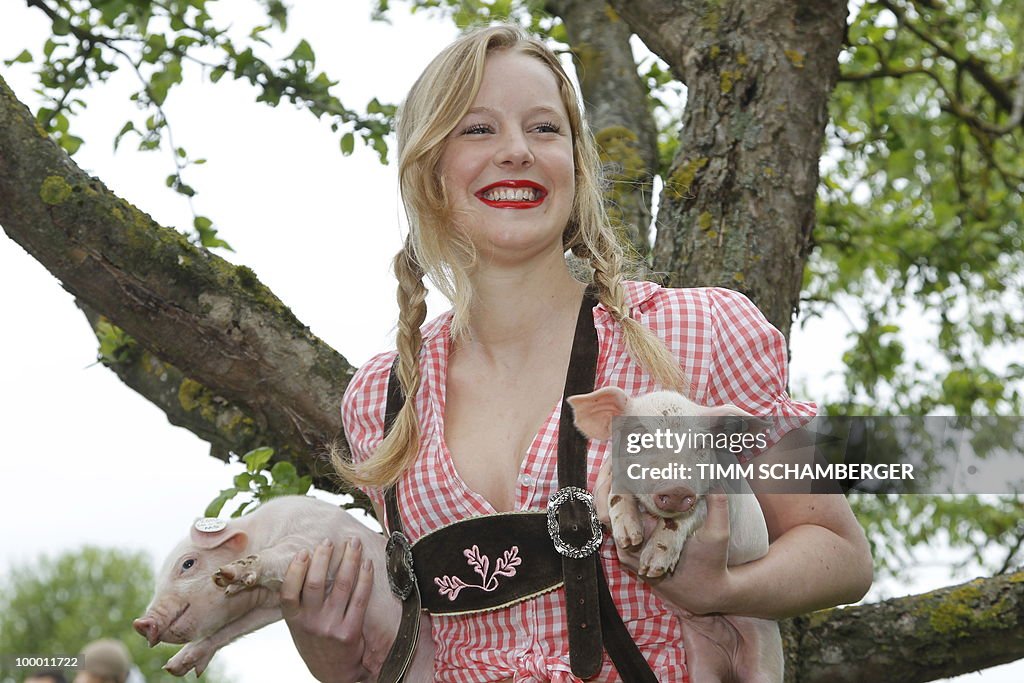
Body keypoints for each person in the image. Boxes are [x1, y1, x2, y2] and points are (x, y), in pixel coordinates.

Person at [282, 24, 873, 682]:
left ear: (576, 164)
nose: (516, 152)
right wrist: (333, 658)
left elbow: (841, 551)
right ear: (427, 171)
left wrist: (721, 590)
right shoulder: (383, 400)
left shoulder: (698, 330)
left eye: (543, 129)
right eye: (478, 129)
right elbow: (420, 646)